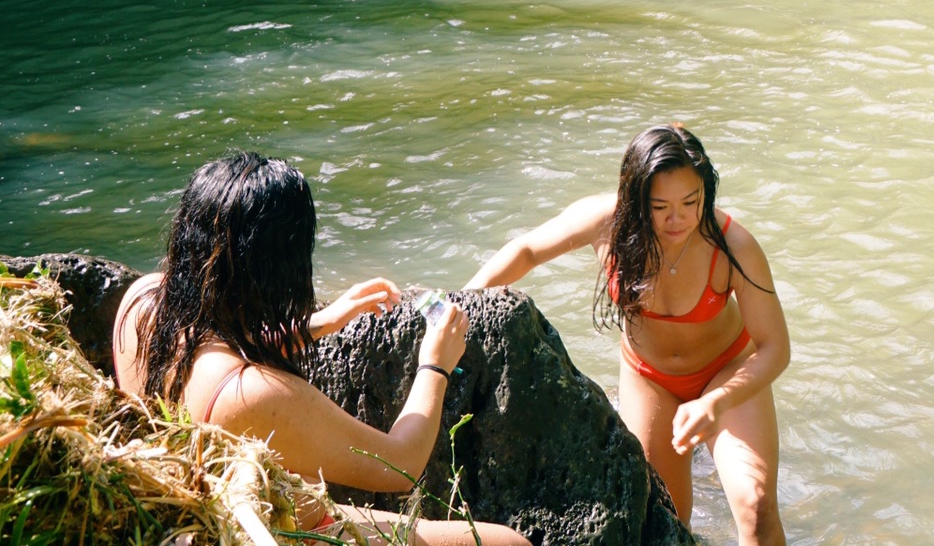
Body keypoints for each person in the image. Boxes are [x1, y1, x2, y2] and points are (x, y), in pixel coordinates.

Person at [112, 152, 528, 546]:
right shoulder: (253, 394)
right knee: (508, 543)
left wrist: (317, 324)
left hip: (203, 510)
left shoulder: (141, 303)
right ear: (278, 268)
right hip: (291, 529)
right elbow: (401, 464)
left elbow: (215, 349)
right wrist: (434, 365)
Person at [467, 124, 790, 546]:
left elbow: (775, 349)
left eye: (691, 202)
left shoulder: (732, 245)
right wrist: (459, 300)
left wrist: (716, 401)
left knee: (755, 504)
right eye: (660, 206)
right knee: (668, 518)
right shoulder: (607, 223)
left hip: (724, 373)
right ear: (636, 196)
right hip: (650, 378)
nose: (679, 219)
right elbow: (527, 250)